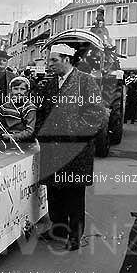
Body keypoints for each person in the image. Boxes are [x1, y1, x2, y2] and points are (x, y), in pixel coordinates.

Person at [36, 43, 108, 251]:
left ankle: (75, 236)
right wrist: (42, 134)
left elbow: (97, 115)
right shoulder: (49, 84)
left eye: (54, 60)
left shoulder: (86, 82)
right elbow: (42, 112)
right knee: (54, 191)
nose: (49, 65)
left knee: (73, 194)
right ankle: (57, 229)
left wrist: (71, 133)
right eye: (49, 60)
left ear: (67, 60)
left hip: (75, 149)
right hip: (52, 148)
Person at [0, 76, 37, 143]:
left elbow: (29, 131)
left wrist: (13, 136)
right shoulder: (4, 107)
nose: (19, 92)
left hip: (23, 143)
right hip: (5, 140)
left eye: (22, 89)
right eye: (15, 89)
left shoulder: (30, 108)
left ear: (27, 91)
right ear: (11, 90)